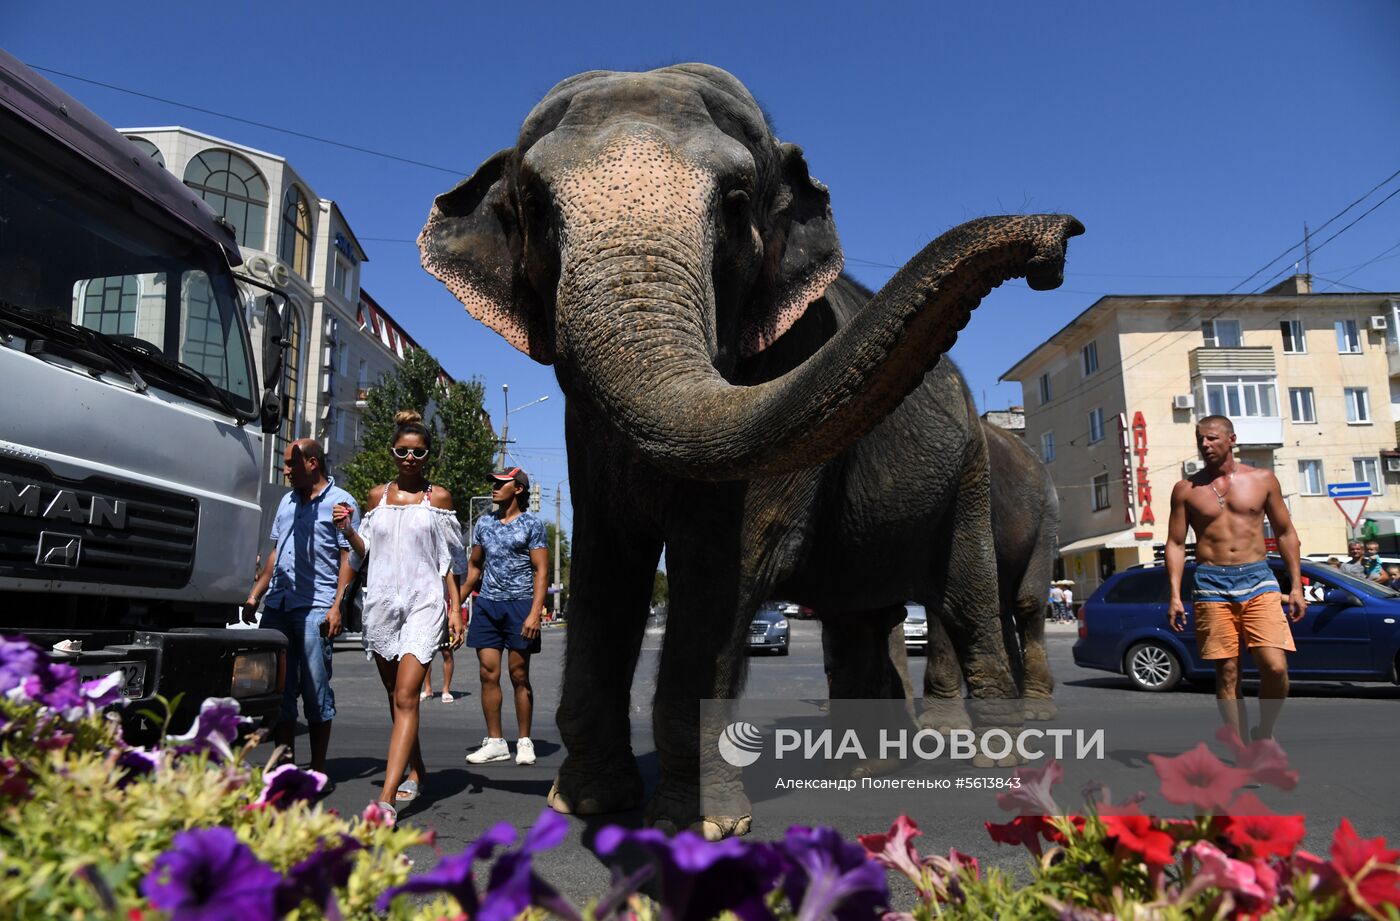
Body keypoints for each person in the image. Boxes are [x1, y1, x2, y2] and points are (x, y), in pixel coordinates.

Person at [336, 411, 465, 823]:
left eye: (418, 452)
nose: (410, 457)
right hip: (383, 605)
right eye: (402, 451)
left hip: (424, 603)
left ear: (427, 456)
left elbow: (449, 560)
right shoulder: (377, 497)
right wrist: (347, 530)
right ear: (393, 454)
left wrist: (455, 608)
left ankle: (386, 799)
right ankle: (418, 769)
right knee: (397, 699)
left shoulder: (438, 499)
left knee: (408, 696)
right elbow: (363, 551)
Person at [1166, 415, 1305, 742]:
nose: (1205, 445)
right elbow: (1174, 542)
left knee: (1275, 667)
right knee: (1227, 672)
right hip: (1211, 583)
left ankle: (1265, 732)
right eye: (1200, 439)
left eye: (1212, 438)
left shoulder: (1263, 479)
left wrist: (1297, 585)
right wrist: (1174, 594)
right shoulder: (1186, 489)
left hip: (1258, 578)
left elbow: (1286, 533)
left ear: (1232, 439)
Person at [242, 439, 358, 775]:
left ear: (312, 463)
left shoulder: (341, 503)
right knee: (279, 692)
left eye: (291, 464)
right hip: (278, 604)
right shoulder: (287, 501)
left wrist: (337, 606)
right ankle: (286, 769)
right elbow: (277, 552)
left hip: (317, 607)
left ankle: (318, 772)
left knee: (315, 691)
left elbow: (349, 557)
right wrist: (255, 595)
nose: (285, 470)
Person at [463, 465, 549, 766]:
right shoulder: (484, 523)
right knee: (488, 674)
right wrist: (453, 606)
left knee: (519, 675)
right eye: (493, 483)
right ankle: (497, 742)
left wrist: (535, 613)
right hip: (487, 604)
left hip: (520, 605)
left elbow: (541, 571)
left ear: (519, 489)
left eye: (501, 483)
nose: (494, 487)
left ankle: (524, 741)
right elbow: (474, 568)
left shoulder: (531, 525)